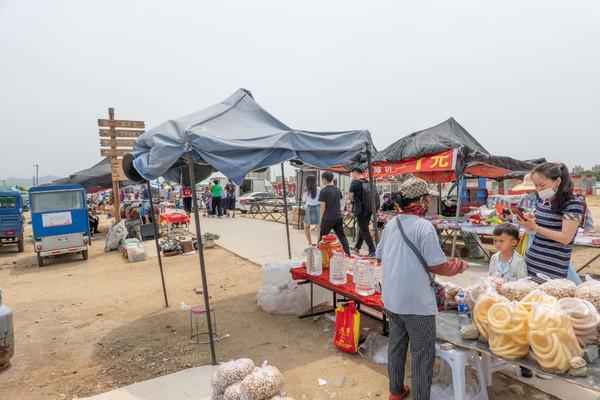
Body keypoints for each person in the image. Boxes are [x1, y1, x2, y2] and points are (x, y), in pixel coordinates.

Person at [377, 177, 468, 400]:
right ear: (421, 200)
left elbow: (379, 256)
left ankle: (396, 392)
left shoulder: (391, 224)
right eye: (427, 199)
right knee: (422, 355)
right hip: (417, 304)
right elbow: (438, 265)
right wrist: (457, 266)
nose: (429, 203)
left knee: (396, 346)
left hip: (392, 299)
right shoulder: (424, 227)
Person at [519, 162, 586, 279]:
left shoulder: (573, 204)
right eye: (536, 185)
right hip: (531, 262)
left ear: (557, 181)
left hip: (552, 270)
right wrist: (530, 221)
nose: (538, 189)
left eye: (542, 185)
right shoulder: (542, 200)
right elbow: (540, 230)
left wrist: (536, 227)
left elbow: (565, 238)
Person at [318, 171, 350, 256]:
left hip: (327, 218)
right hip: (338, 217)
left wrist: (320, 219)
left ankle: (319, 255)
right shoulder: (337, 190)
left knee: (322, 238)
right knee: (342, 236)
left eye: (322, 179)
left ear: (325, 179)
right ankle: (348, 253)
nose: (322, 181)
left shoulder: (323, 191)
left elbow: (322, 207)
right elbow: (341, 203)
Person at [349, 167, 376, 256]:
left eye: (352, 173)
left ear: (355, 173)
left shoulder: (354, 182)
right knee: (362, 228)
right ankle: (357, 247)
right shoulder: (368, 182)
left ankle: (372, 250)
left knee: (364, 230)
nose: (351, 175)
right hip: (369, 209)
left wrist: (352, 202)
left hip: (360, 210)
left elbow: (350, 197)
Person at [302, 175, 320, 246]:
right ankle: (318, 243)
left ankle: (310, 243)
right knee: (319, 228)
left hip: (308, 208)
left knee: (306, 227)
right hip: (318, 208)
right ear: (315, 181)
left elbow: (304, 200)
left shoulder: (306, 190)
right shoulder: (319, 189)